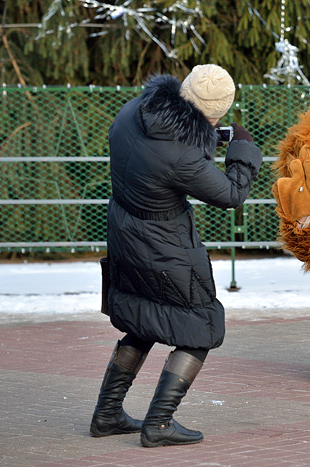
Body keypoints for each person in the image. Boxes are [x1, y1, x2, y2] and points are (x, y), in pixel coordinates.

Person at [90, 64, 262, 447]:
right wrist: (244, 150)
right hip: (164, 246)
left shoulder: (133, 111)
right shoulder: (181, 157)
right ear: (212, 111)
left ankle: (106, 414)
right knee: (202, 327)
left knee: (142, 317)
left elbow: (160, 149)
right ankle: (160, 423)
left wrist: (207, 136)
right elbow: (230, 194)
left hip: (123, 233)